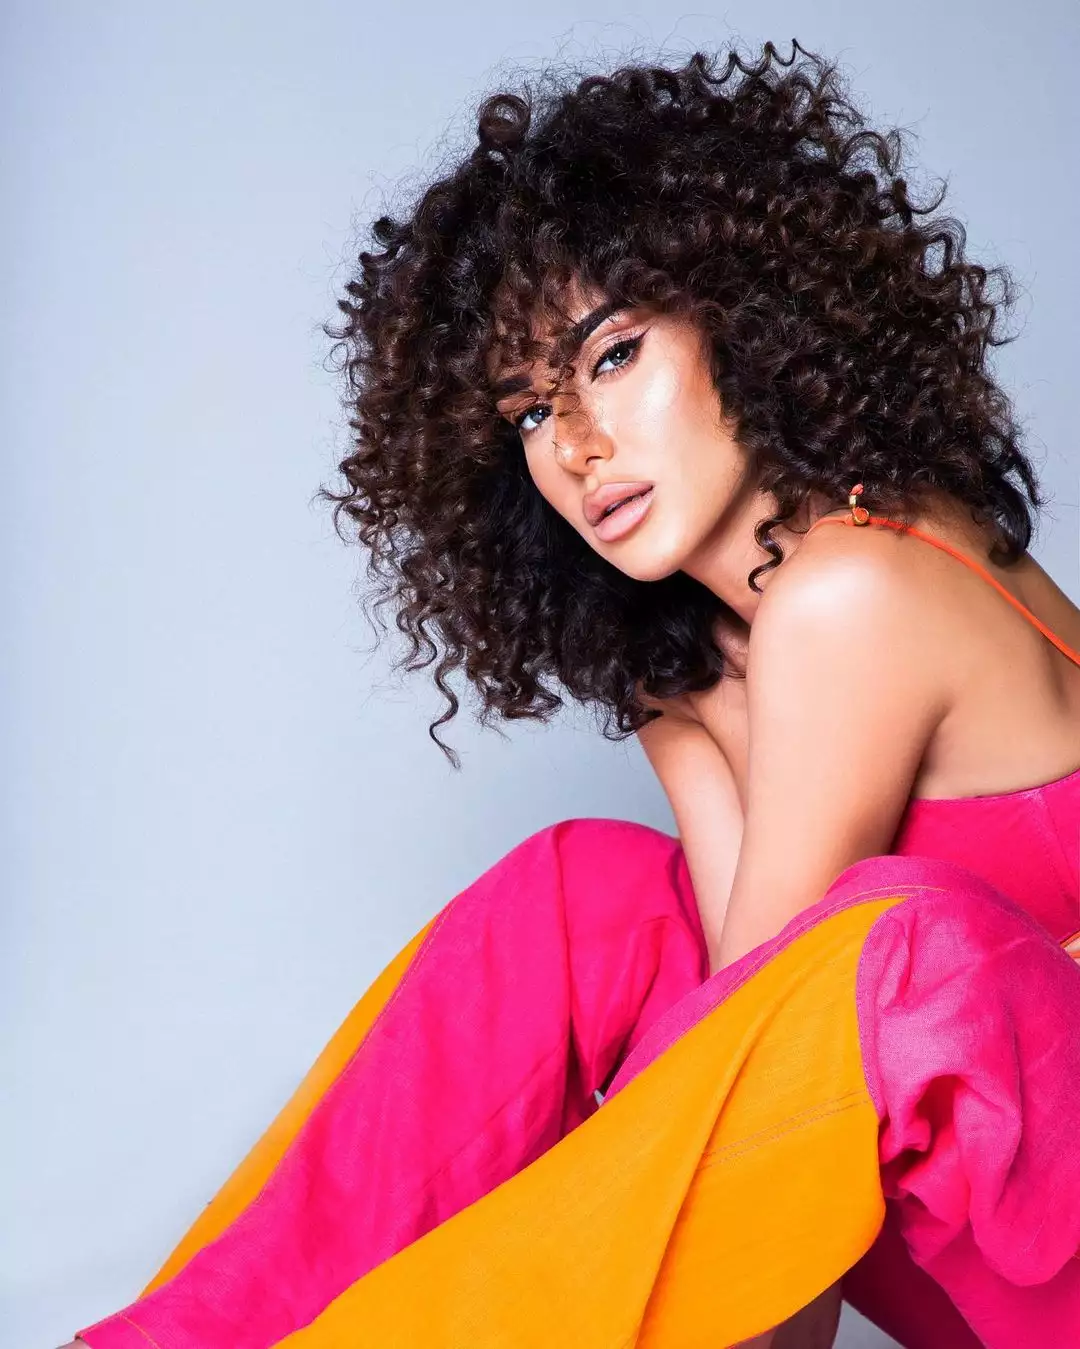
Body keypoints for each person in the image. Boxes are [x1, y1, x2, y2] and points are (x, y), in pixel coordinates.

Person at [62, 39, 1080, 1349]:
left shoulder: (859, 587)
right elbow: (741, 1067)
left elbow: (762, 1080)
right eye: (531, 412)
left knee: (896, 949)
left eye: (612, 357)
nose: (582, 448)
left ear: (744, 316)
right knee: (587, 897)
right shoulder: (709, 658)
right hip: (948, 1217)